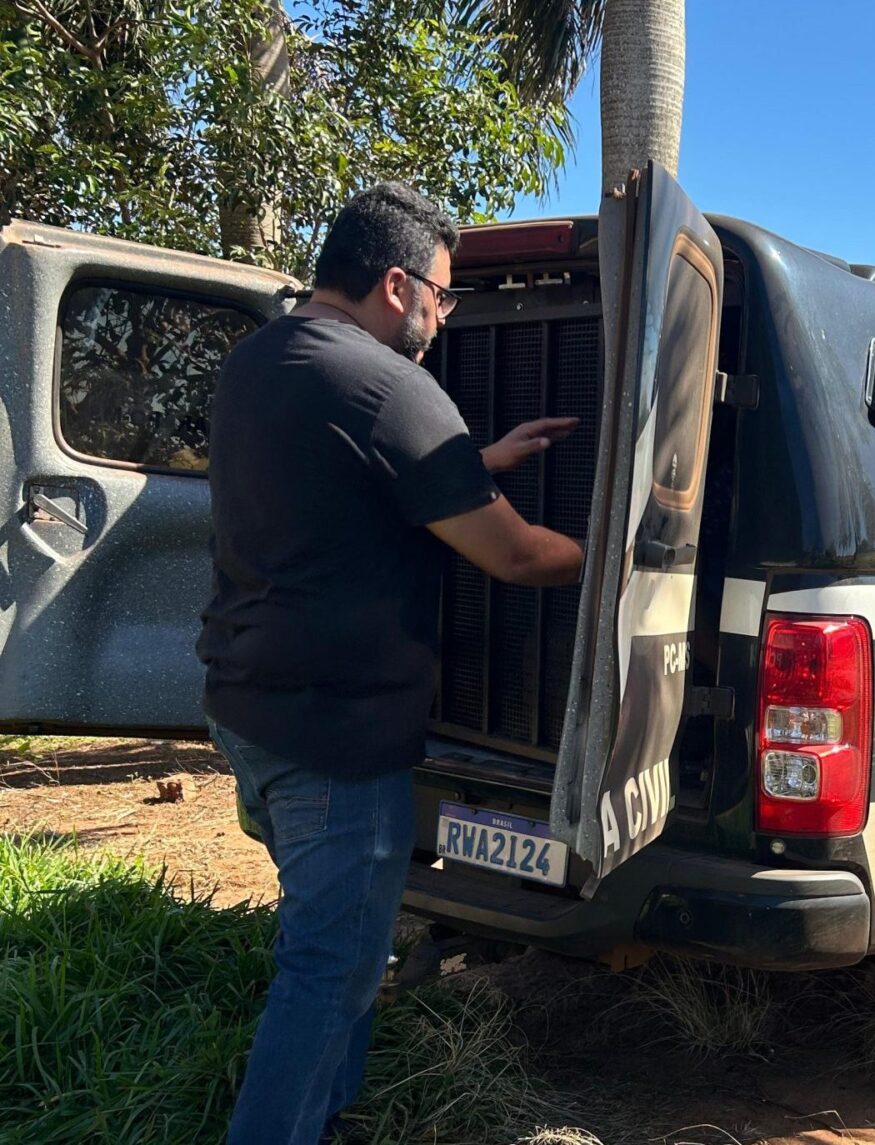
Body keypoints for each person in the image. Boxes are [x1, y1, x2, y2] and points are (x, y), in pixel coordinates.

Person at [197, 182, 584, 1145]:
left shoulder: (259, 359)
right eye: (443, 296)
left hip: (247, 707)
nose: (445, 317)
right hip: (336, 738)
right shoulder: (389, 387)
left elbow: (345, 472)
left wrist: (473, 460)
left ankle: (326, 1118)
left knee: (338, 940)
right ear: (398, 285)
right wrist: (629, 550)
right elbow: (516, 556)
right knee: (329, 967)